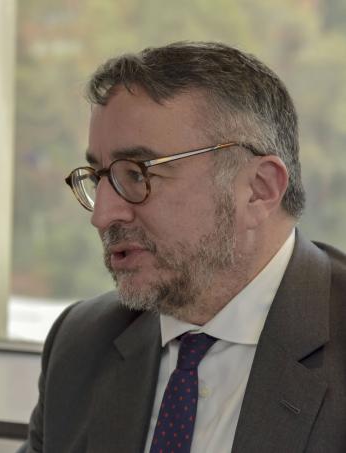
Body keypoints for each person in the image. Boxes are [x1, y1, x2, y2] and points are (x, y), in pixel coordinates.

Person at [18, 42, 346, 453]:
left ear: (259, 189)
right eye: (99, 178)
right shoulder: (82, 343)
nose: (102, 215)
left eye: (136, 175)